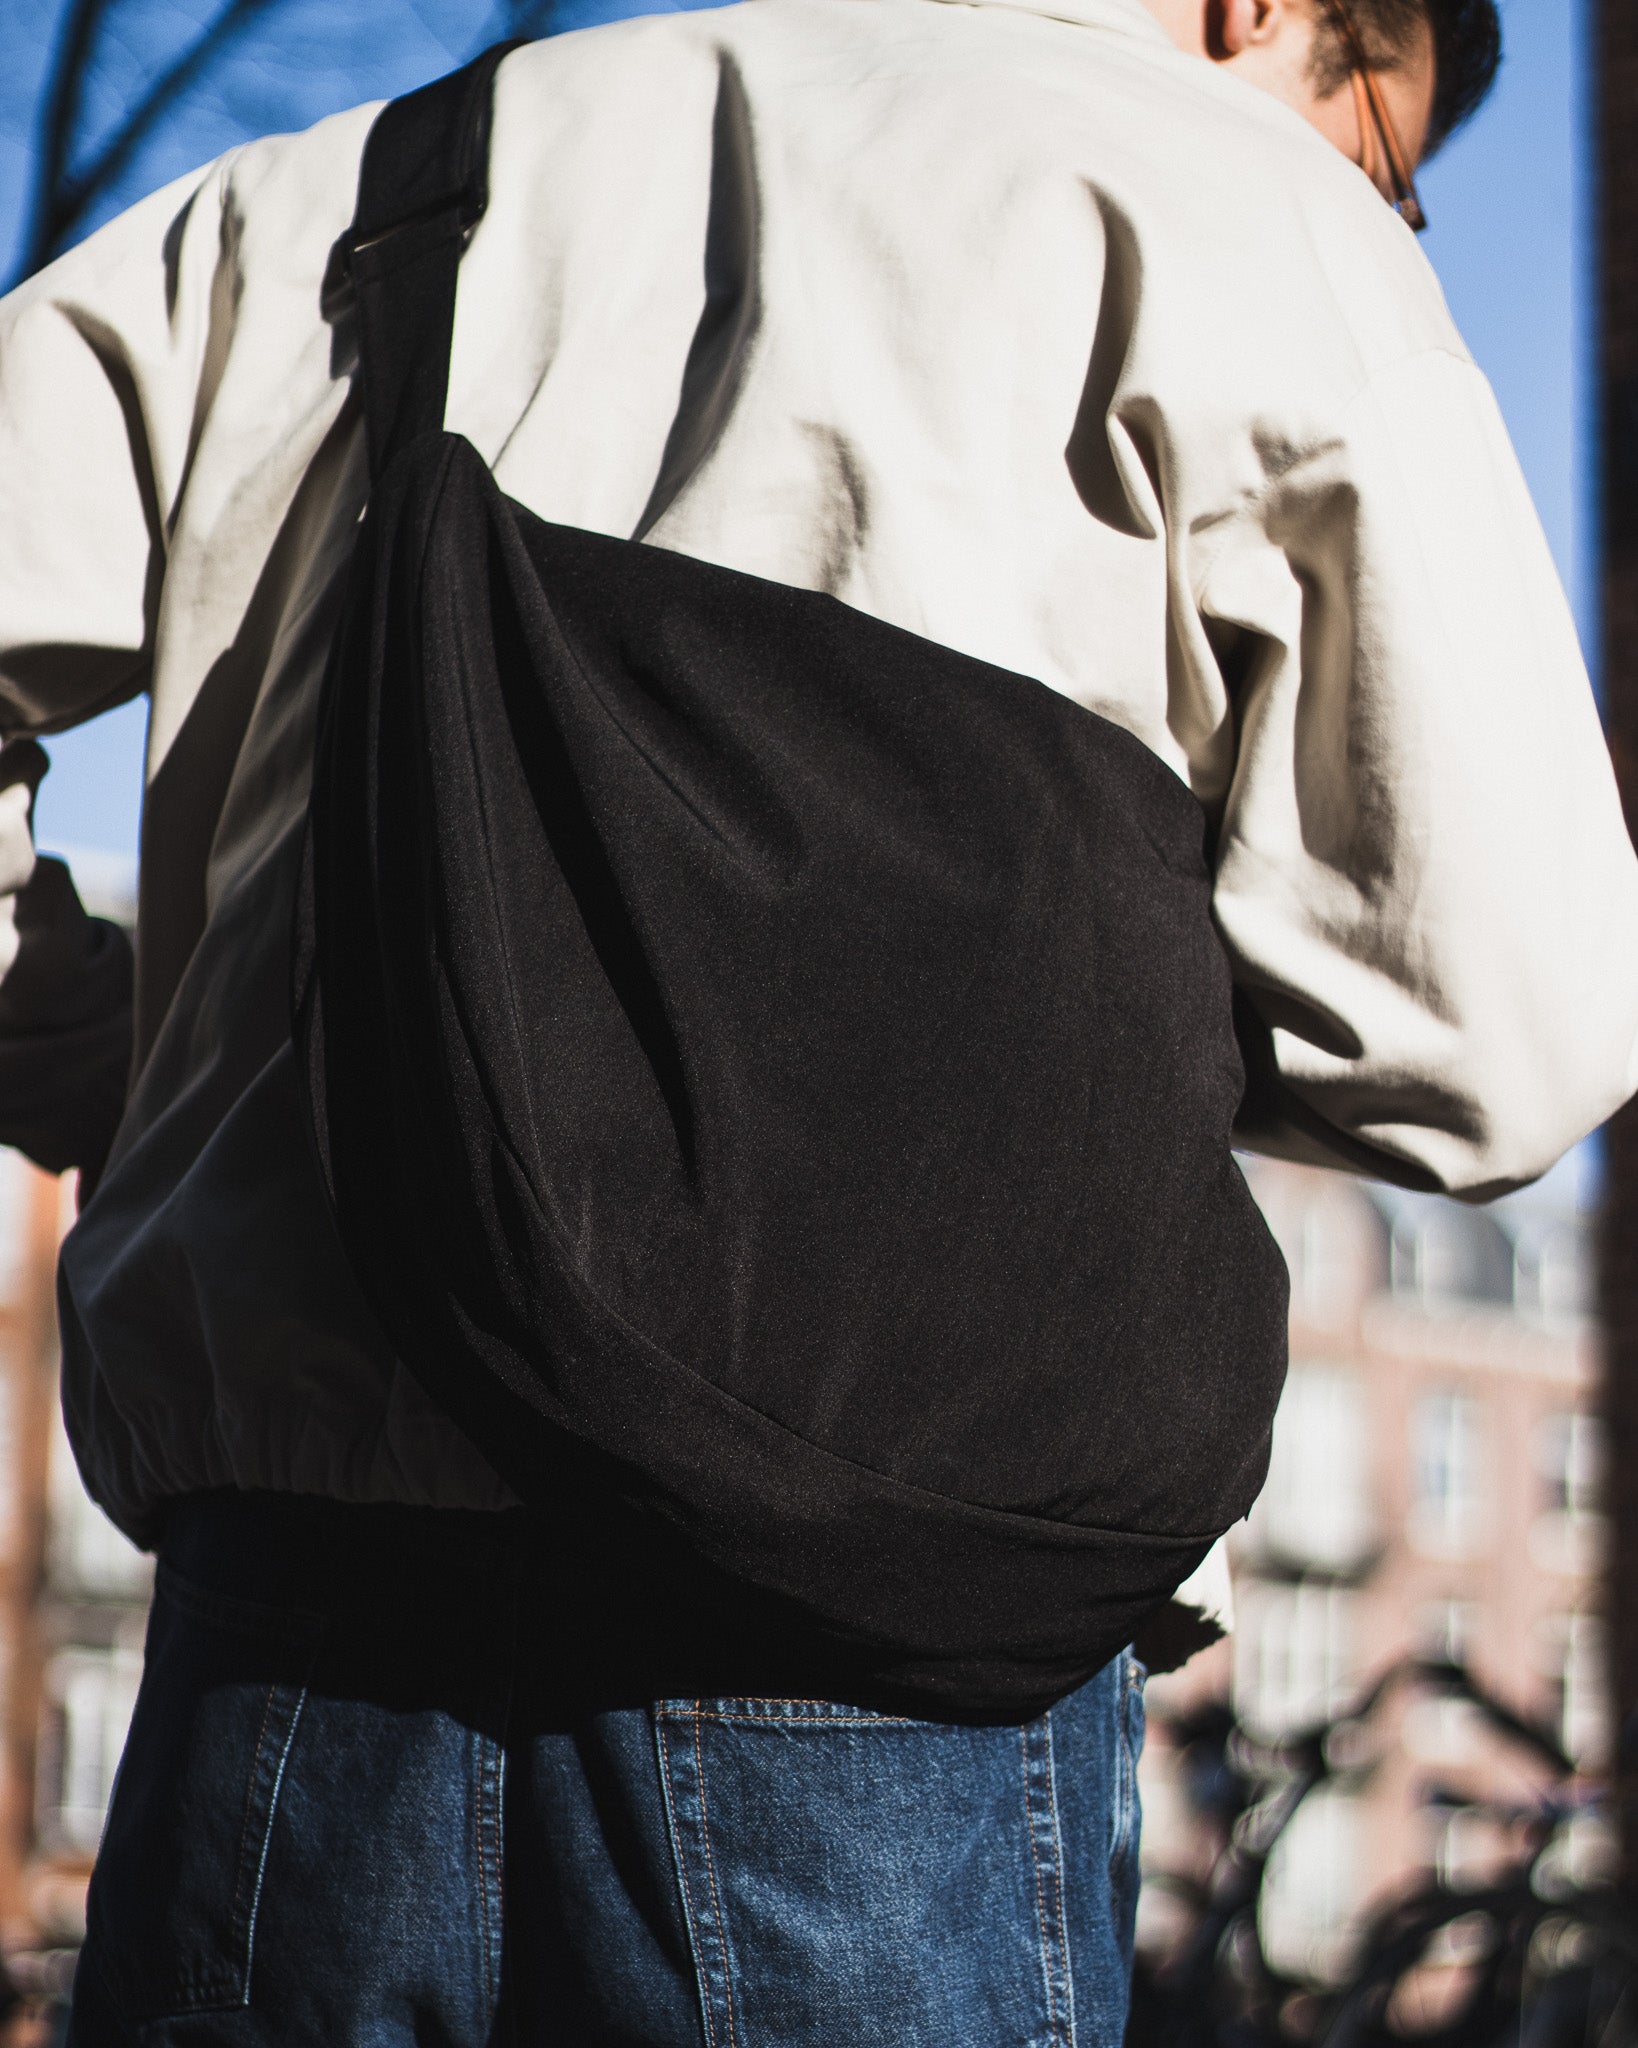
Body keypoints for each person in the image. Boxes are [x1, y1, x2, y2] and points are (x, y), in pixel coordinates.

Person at [0, 0, 1631, 2038]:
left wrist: (107, 1057)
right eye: (1388, 152)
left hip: (293, 1635)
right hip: (874, 1646)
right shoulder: (1253, 220)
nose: (1383, 207)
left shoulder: (352, 188)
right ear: (1265, 11)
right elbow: (1508, 1040)